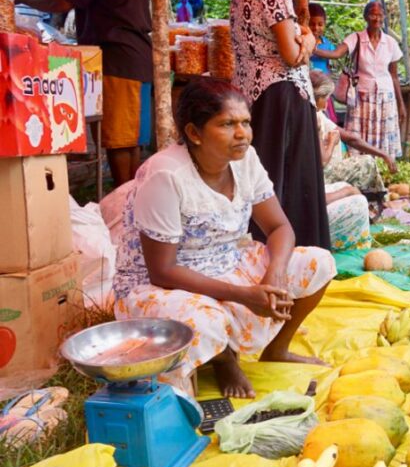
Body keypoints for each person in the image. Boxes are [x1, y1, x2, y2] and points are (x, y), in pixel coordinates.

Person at [112, 79, 334, 399]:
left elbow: (279, 227)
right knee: (205, 319)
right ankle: (223, 360)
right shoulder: (166, 175)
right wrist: (244, 295)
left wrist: (276, 273)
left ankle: (276, 348)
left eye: (245, 122)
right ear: (194, 133)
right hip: (163, 284)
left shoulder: (246, 161)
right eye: (227, 124)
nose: (242, 133)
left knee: (318, 262)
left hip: (227, 261)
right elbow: (162, 270)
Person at [1, 0, 153, 187]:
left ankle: (124, 204)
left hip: (118, 61)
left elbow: (57, 2)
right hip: (138, 62)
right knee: (130, 140)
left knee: (119, 139)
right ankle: (130, 200)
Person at [230, 0, 330, 250]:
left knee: (263, 180)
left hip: (256, 96)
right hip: (283, 96)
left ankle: (260, 256)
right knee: (287, 185)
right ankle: (295, 259)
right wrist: (310, 41)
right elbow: (291, 54)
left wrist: (300, 34)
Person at [309, 70, 396, 251]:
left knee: (363, 165)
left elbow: (351, 138)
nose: (327, 104)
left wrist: (382, 154)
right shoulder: (312, 117)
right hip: (319, 177)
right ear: (316, 97)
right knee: (367, 164)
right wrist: (332, 144)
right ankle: (372, 210)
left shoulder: (314, 114)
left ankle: (371, 208)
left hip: (319, 175)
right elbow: (322, 161)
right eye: (326, 98)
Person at [322, 1, 406, 159]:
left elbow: (394, 76)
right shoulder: (356, 38)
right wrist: (312, 49)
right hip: (361, 97)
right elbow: (337, 54)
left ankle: (382, 167)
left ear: (385, 17)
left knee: (382, 137)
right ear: (365, 17)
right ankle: (361, 169)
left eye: (380, 15)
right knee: (359, 139)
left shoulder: (390, 43)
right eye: (373, 14)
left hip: (385, 99)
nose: (377, 18)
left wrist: (401, 105)